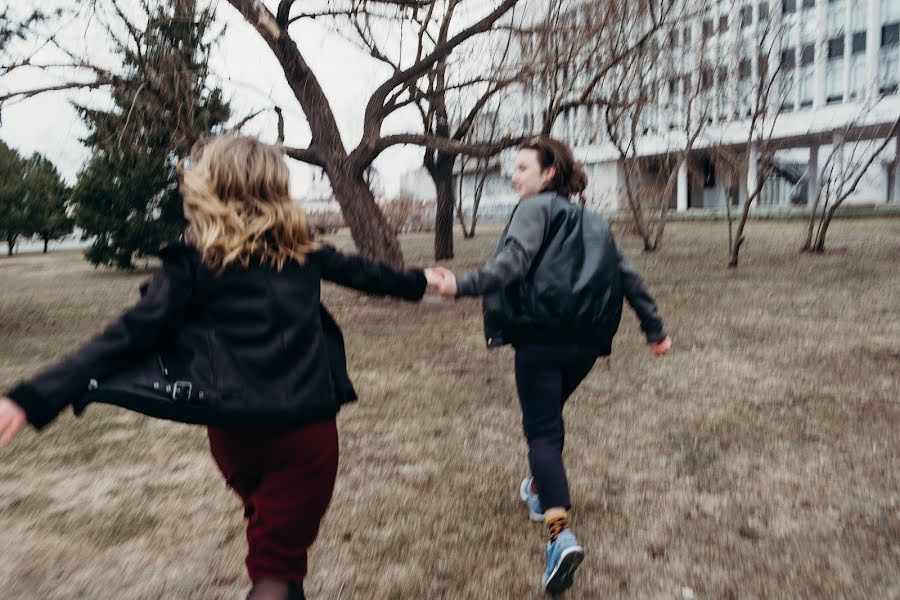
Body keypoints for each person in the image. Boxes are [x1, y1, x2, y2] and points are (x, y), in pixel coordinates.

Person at [0, 135, 443, 600]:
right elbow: (370, 274)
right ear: (276, 188)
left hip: (234, 439)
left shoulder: (194, 264)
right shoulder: (301, 251)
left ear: (210, 186)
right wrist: (424, 281)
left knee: (273, 552)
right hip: (303, 438)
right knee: (277, 570)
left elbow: (124, 337)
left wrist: (30, 398)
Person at [432, 136, 671, 595]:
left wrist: (459, 286)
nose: (514, 175)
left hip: (540, 340)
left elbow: (512, 263)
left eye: (523, 168)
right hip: (584, 346)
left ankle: (560, 537)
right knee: (548, 420)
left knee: (542, 432)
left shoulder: (532, 209)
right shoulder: (595, 221)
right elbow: (629, 278)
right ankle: (540, 490)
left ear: (548, 175)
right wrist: (654, 331)